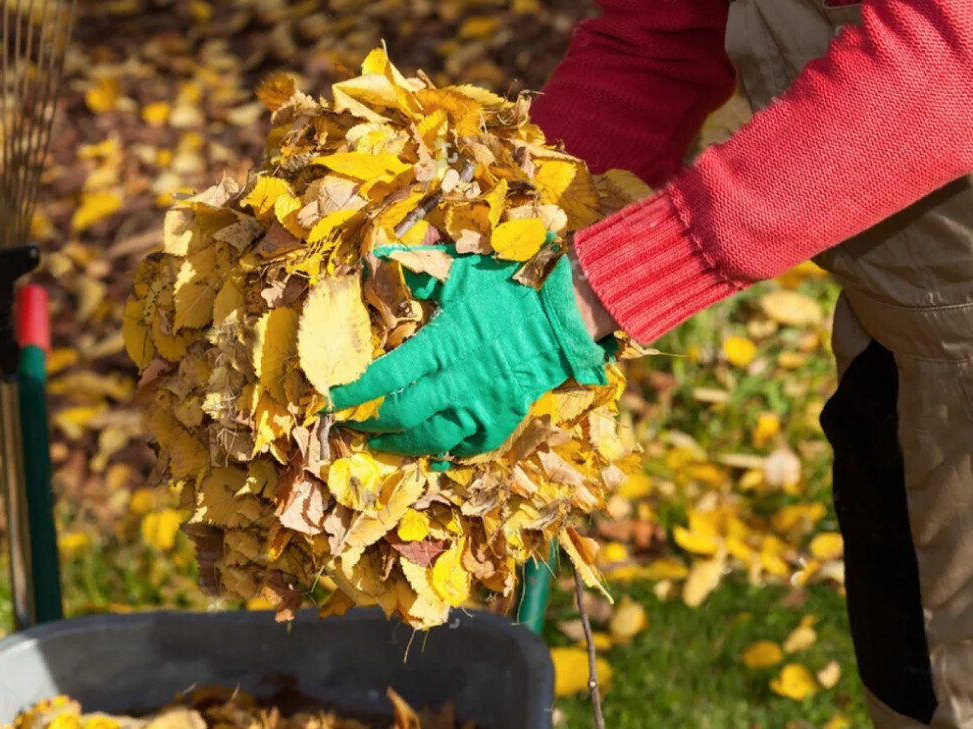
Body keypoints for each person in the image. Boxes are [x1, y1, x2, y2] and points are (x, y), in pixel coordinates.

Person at [330, 1, 973, 727]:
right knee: (910, 686)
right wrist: (524, 220)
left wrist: (582, 296)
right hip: (909, 332)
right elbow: (662, 34)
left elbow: (951, 53)